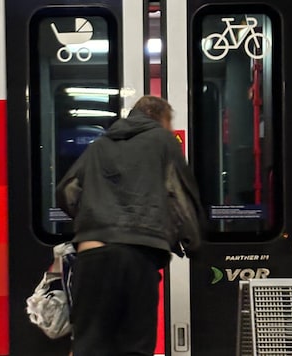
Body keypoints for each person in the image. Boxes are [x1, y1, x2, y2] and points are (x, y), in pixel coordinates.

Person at [55, 95, 203, 356]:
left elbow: (67, 191)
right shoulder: (162, 141)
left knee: (89, 345)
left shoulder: (99, 145)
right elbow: (179, 195)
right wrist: (193, 243)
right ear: (161, 118)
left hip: (93, 253)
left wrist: (92, 217)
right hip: (139, 254)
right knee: (135, 345)